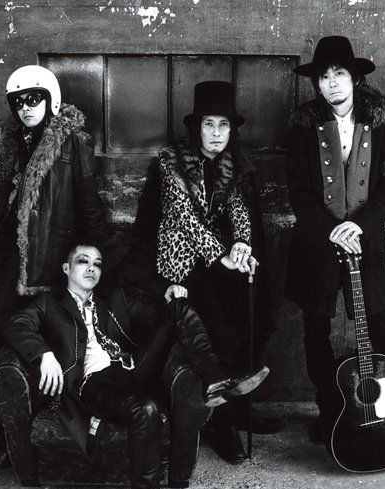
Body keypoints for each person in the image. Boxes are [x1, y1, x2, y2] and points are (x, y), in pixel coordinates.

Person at [3, 244, 269, 489]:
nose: (91, 268)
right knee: (145, 408)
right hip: (92, 382)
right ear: (67, 268)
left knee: (179, 308)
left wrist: (170, 294)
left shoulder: (113, 299)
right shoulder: (49, 304)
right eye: (83, 261)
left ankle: (215, 380)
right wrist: (44, 354)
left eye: (97, 264)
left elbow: (157, 319)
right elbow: (15, 325)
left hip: (132, 368)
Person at [116, 80, 283, 464]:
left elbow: (239, 209)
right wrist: (221, 256)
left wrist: (242, 244)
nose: (217, 133)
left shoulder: (232, 161)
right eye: (209, 124)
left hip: (215, 258)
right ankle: (221, 425)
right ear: (197, 128)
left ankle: (241, 409)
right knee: (217, 331)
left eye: (224, 125)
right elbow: (185, 218)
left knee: (253, 316)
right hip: (180, 261)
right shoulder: (171, 160)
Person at [0, 65, 110, 460]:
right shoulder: (19, 140)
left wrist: (96, 265)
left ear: (50, 99)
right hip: (3, 251)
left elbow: (88, 204)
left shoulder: (72, 141)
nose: (26, 107)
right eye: (18, 102)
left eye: (33, 99)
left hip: (39, 259)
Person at [285, 35, 385, 444]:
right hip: (317, 242)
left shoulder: (380, 121)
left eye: (339, 73)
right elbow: (298, 192)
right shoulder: (303, 125)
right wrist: (331, 230)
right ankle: (332, 412)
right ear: (317, 84)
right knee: (315, 328)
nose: (332, 82)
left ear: (355, 78)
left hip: (364, 240)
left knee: (380, 325)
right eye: (324, 76)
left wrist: (359, 225)